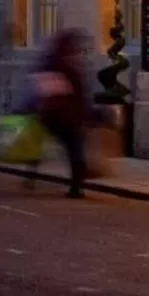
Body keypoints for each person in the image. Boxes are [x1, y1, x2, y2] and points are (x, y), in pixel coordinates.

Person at [28, 29, 91, 198]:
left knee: (65, 148)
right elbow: (52, 90)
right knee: (74, 150)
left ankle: (32, 174)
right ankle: (76, 186)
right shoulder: (59, 64)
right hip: (60, 116)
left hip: (59, 116)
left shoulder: (58, 63)